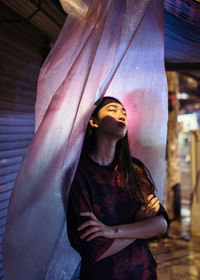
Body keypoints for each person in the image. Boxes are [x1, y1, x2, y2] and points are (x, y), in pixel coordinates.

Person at [66, 97, 169, 280]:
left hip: (143, 272)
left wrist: (112, 231)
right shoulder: (79, 176)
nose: (121, 115)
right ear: (94, 121)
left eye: (124, 113)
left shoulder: (134, 170)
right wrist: (139, 225)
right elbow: (93, 250)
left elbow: (161, 224)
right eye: (113, 110)